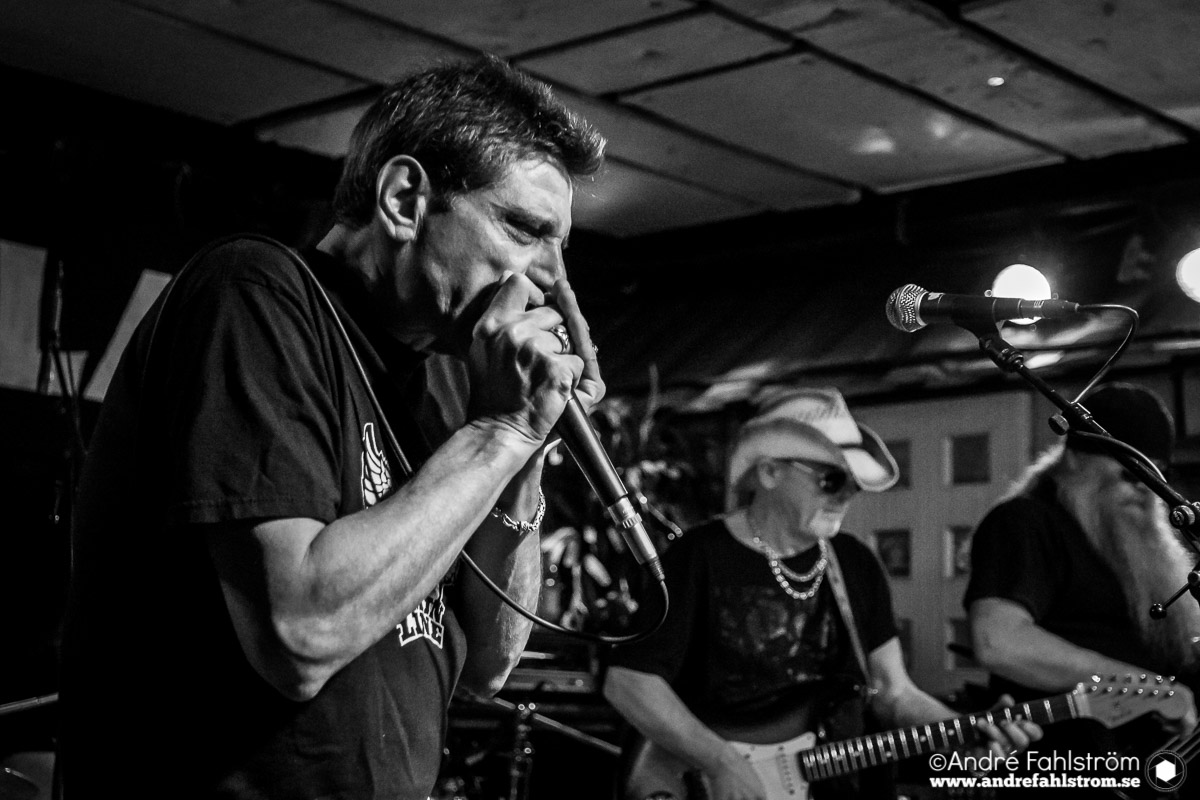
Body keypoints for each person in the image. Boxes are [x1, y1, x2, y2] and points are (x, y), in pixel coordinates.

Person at [60, 56, 605, 799]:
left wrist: (526, 448)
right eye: (525, 229)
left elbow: (490, 665)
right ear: (405, 199)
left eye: (561, 246)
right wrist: (501, 431)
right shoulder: (256, 293)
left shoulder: (457, 382)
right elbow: (301, 634)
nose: (552, 278)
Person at [604, 388, 1040, 800]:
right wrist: (720, 761)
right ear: (770, 472)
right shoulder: (698, 556)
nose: (846, 496)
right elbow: (628, 683)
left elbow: (893, 692)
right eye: (832, 480)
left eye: (855, 484)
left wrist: (963, 731)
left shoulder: (854, 562)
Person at [966, 383, 1200, 787]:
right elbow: (999, 642)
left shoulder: (1137, 539)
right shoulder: (1025, 522)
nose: (1143, 486)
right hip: (1068, 769)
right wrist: (1149, 690)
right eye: (1129, 471)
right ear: (1075, 458)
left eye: (1156, 475)